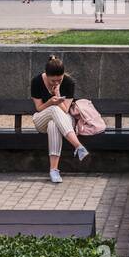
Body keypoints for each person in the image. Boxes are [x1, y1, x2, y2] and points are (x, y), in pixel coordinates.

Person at [31, 55, 88, 184]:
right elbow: (39, 108)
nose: (56, 83)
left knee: (53, 125)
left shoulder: (68, 82)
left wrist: (57, 94)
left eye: (59, 80)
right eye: (53, 81)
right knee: (53, 110)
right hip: (41, 119)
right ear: (46, 75)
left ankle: (54, 171)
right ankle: (78, 146)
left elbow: (66, 110)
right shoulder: (37, 81)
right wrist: (51, 101)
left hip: (63, 119)